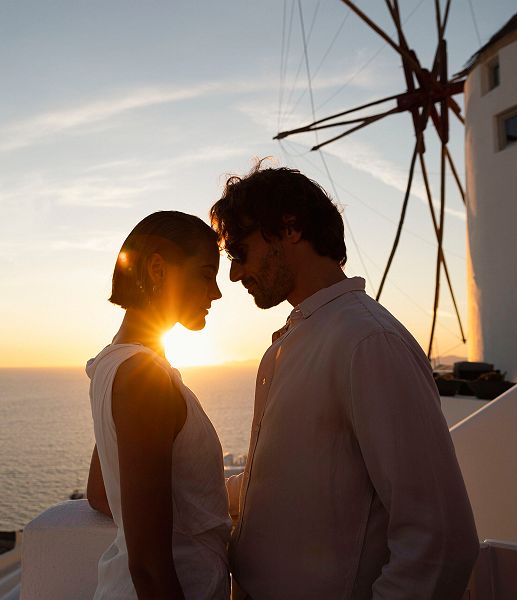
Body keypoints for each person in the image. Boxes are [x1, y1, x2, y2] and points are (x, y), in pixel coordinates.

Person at [210, 163, 479, 599]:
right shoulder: (303, 339)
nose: (235, 274)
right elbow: (291, 479)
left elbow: (441, 537)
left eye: (240, 251)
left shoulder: (369, 342)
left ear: (290, 228)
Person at [85, 210, 231, 600]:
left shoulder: (116, 364)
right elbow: (149, 567)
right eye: (206, 274)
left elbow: (100, 492)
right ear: (157, 269)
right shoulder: (142, 378)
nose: (216, 292)